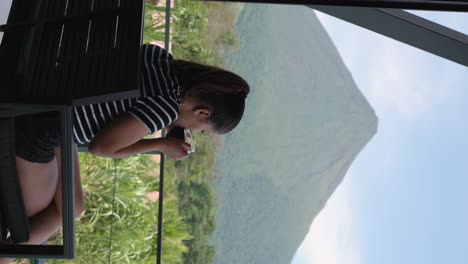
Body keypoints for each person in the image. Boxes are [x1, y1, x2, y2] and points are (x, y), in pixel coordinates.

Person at [0, 44, 249, 263]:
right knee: (33, 217)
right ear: (203, 113)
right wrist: (160, 145)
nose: (195, 132)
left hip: (39, 90)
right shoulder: (165, 107)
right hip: (34, 129)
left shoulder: (158, 57)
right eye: (202, 131)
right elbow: (102, 147)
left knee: (73, 207)